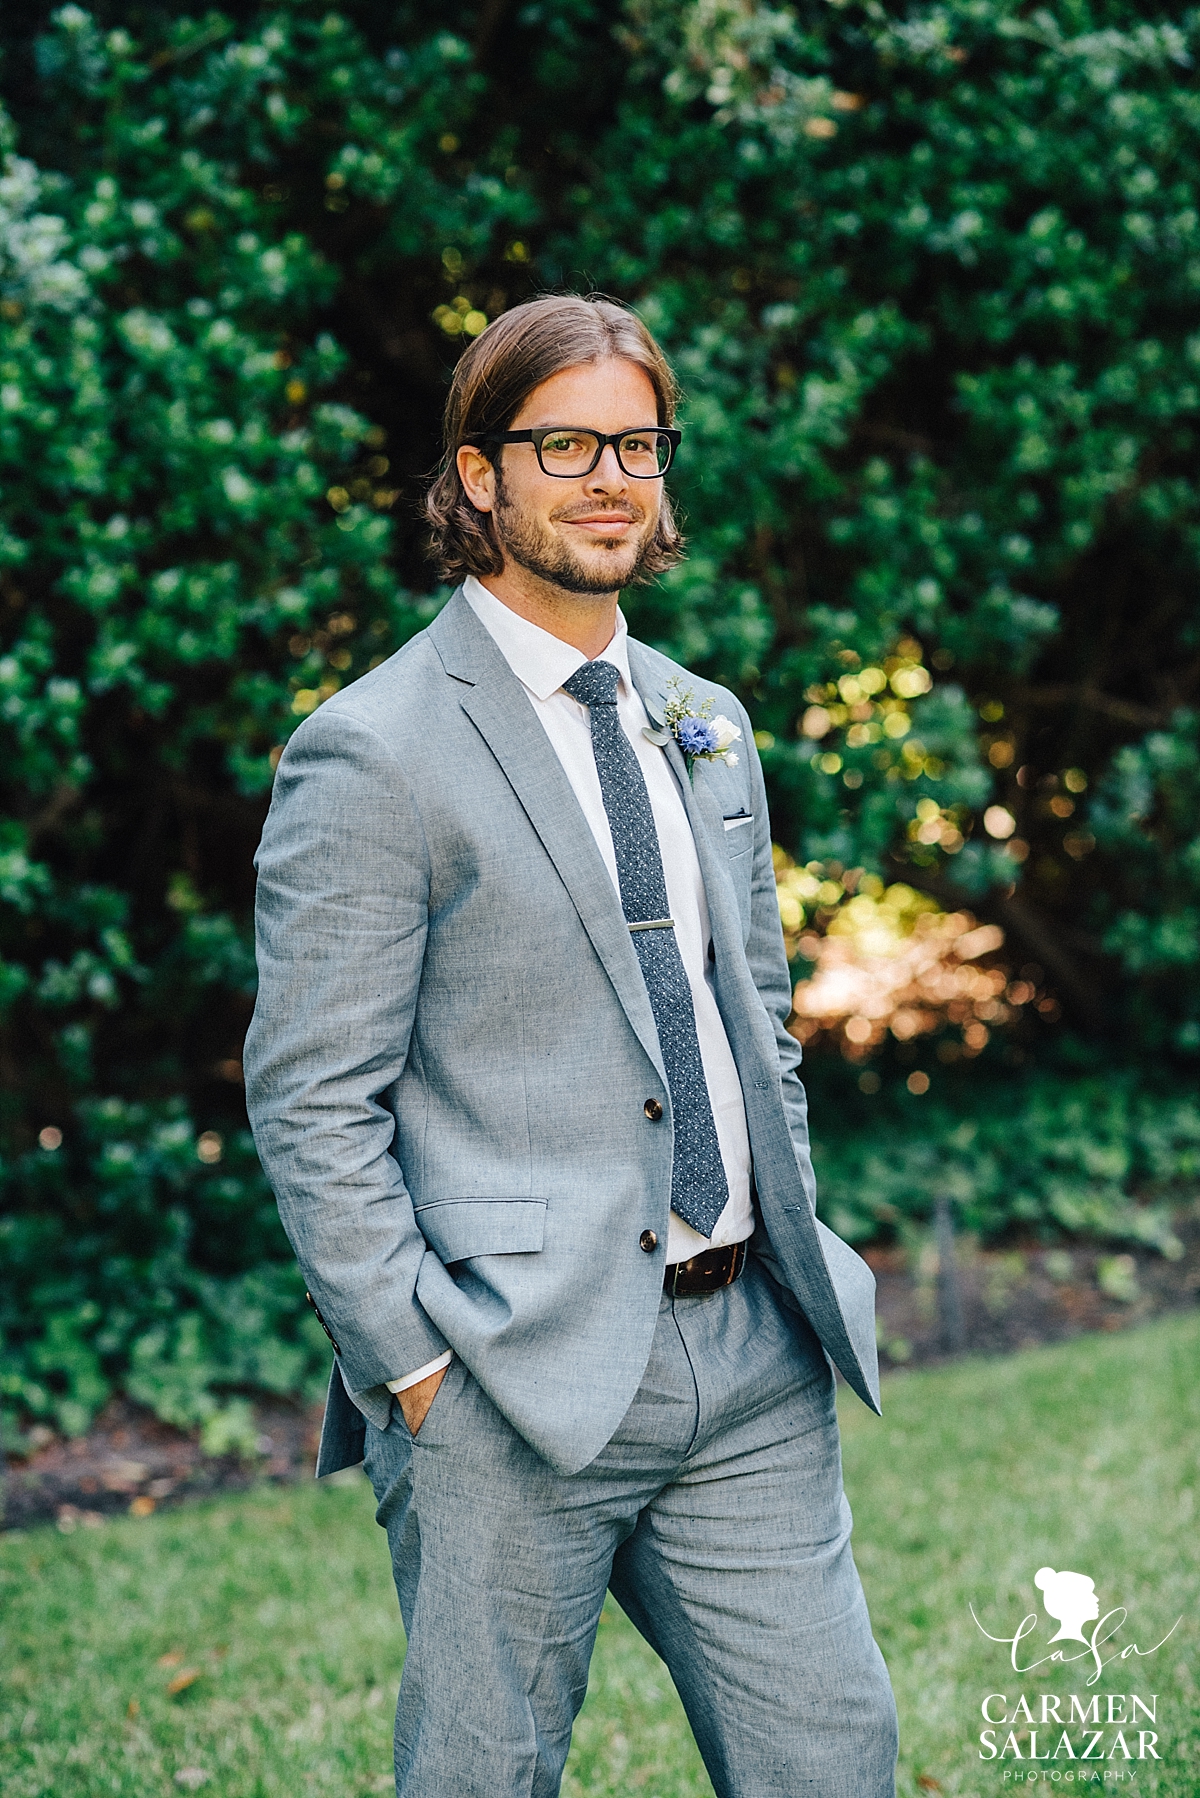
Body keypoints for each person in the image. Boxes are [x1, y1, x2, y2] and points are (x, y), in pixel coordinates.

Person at [244, 293, 898, 1798]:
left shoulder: (704, 717)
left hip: (750, 1355)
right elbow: (309, 1097)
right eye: (566, 443)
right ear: (480, 476)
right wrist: (413, 1364)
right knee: (485, 1777)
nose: (611, 476)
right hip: (504, 1372)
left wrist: (791, 1248)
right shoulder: (376, 746)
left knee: (836, 1758)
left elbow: (759, 1026)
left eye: (639, 443)